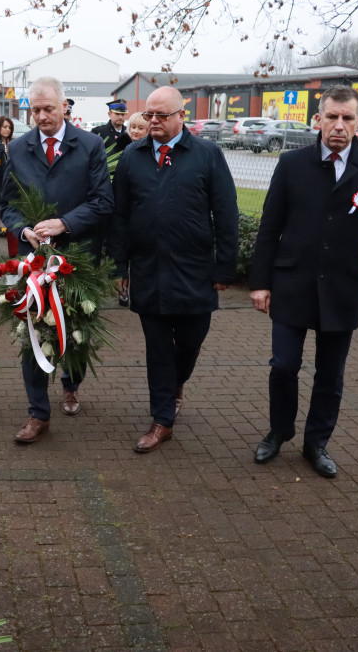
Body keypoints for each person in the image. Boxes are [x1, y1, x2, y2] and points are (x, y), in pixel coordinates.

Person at [248, 85, 358, 478]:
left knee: (330, 375)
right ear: (317, 119)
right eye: (332, 117)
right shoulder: (291, 164)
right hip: (292, 284)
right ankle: (280, 430)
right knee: (283, 365)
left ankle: (316, 443)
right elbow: (270, 227)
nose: (339, 126)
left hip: (342, 289)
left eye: (348, 118)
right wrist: (260, 282)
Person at [109, 86, 239, 454]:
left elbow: (226, 214)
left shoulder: (207, 155)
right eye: (148, 115)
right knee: (158, 350)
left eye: (161, 116)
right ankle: (161, 419)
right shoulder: (132, 157)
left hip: (195, 272)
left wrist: (224, 268)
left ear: (181, 116)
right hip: (149, 271)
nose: (153, 122)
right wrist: (120, 265)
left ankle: (177, 383)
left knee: (190, 345)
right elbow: (120, 216)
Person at [0, 76, 114, 444]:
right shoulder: (18, 148)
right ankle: (37, 413)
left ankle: (71, 384)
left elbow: (103, 202)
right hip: (33, 263)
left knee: (76, 334)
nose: (42, 117)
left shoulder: (91, 145)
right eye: (35, 110)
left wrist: (65, 223)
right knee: (31, 334)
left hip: (77, 256)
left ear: (65, 106)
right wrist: (22, 229)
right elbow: (7, 205)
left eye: (49, 109)